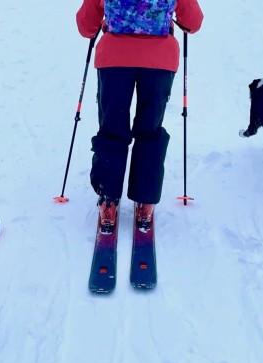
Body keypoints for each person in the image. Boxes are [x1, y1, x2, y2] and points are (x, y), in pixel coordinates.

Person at [76, 0, 203, 230]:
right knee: (149, 130)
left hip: (114, 59)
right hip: (160, 61)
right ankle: (145, 200)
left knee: (112, 128)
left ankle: (108, 200)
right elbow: (193, 23)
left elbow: (85, 26)